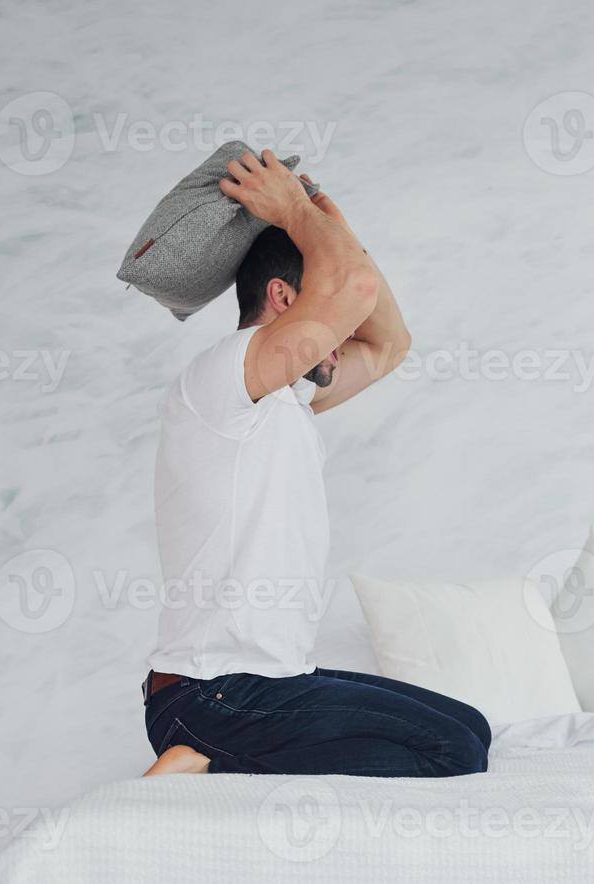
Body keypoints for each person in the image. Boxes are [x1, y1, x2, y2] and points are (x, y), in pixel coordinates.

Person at [140, 149, 489, 778]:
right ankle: (213, 767)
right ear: (282, 296)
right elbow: (351, 289)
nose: (347, 331)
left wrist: (333, 225)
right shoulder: (230, 373)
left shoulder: (282, 398)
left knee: (471, 729)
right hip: (212, 691)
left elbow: (389, 343)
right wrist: (294, 212)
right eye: (333, 318)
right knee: (452, 751)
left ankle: (216, 760)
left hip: (264, 681)